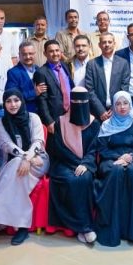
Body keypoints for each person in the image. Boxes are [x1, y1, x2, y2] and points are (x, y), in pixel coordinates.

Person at [0, 89, 49, 245]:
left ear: (22, 101)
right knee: (17, 166)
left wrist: (28, 158)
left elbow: (38, 142)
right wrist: (25, 158)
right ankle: (22, 227)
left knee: (16, 165)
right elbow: (7, 146)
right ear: (4, 104)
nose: (13, 104)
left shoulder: (33, 118)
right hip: (14, 163)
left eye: (16, 100)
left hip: (39, 161)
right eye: (8, 101)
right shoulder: (0, 123)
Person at [89, 91, 133, 246]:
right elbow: (102, 150)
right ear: (113, 107)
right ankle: (112, 230)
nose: (122, 107)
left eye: (125, 103)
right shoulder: (106, 125)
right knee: (115, 171)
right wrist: (120, 158)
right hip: (111, 160)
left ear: (130, 105)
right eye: (118, 104)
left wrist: (130, 157)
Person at [47, 87, 100, 245]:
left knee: (84, 179)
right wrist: (77, 162)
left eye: (82, 101)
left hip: (86, 164)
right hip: (64, 163)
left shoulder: (94, 123)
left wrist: (85, 163)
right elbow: (58, 148)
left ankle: (82, 228)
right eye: (75, 101)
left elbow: (94, 149)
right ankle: (84, 228)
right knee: (71, 180)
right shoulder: (61, 122)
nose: (79, 104)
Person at [84, 32, 130, 121]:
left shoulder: (123, 63)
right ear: (99, 45)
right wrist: (101, 111)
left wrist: (114, 108)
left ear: (114, 44)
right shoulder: (92, 64)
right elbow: (90, 90)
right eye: (104, 42)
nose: (107, 44)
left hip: (117, 111)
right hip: (97, 113)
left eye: (109, 42)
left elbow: (124, 88)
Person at [34, 40, 75, 135]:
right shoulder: (41, 72)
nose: (55, 54)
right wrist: (49, 121)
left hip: (71, 114)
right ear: (45, 53)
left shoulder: (65, 66)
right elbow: (42, 100)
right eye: (51, 51)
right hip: (55, 117)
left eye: (57, 50)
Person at [5, 41, 42, 114]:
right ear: (19, 55)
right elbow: (12, 96)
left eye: (30, 53)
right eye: (24, 54)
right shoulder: (13, 72)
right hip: (24, 113)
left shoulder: (39, 69)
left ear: (34, 54)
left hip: (41, 113)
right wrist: (34, 93)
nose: (28, 57)